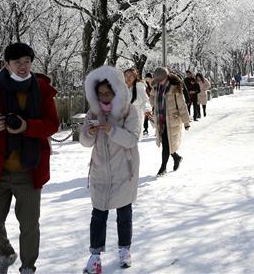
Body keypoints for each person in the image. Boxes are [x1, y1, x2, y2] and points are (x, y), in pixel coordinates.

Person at [0, 42, 60, 274]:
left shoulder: (41, 89)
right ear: (7, 64)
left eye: (27, 61)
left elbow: (52, 124)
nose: (23, 66)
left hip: (29, 170)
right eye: (17, 62)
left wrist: (26, 127)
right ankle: (5, 253)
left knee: (29, 225)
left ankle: (28, 267)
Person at [79, 66, 141, 274]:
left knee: (124, 212)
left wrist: (112, 130)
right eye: (100, 94)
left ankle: (125, 249)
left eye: (108, 93)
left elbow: (132, 139)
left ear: (117, 91)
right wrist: (89, 132)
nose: (104, 97)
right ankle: (95, 255)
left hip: (124, 170)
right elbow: (85, 142)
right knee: (98, 214)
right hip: (100, 171)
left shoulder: (129, 111)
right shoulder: (93, 113)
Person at [151, 67, 191, 176]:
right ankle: (176, 157)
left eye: (161, 80)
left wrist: (186, 122)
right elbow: (152, 98)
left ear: (167, 77)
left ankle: (163, 168)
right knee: (166, 143)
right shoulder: (155, 87)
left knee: (166, 144)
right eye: (157, 80)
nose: (159, 82)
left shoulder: (175, 88)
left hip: (172, 120)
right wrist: (153, 107)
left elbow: (182, 106)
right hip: (161, 119)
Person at [124, 68, 152, 136]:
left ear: (135, 77)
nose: (128, 78)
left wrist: (147, 110)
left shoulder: (139, 87)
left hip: (135, 118)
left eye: (131, 76)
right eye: (126, 76)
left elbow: (145, 101)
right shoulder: (121, 88)